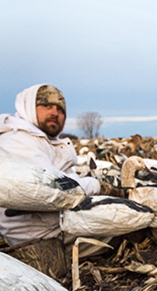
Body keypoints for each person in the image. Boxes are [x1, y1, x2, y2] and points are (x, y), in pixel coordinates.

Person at [0, 84, 101, 276]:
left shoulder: (44, 140)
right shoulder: (17, 139)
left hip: (57, 225)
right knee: (134, 226)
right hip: (39, 237)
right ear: (28, 107)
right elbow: (55, 188)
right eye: (46, 106)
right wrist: (96, 185)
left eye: (60, 109)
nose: (55, 112)